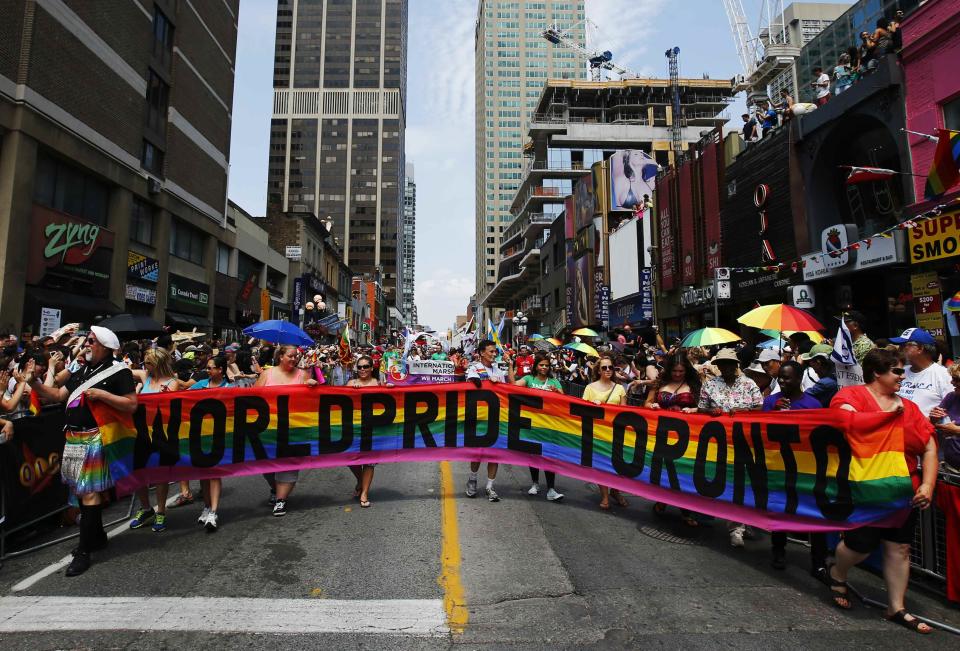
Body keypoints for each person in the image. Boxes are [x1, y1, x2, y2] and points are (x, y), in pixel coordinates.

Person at [828, 349, 936, 634]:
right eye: (898, 371)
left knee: (899, 548)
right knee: (859, 545)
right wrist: (886, 416)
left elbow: (928, 446)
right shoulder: (850, 397)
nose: (904, 376)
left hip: (903, 491)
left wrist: (927, 484)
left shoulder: (910, 408)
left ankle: (896, 607)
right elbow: (847, 423)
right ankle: (837, 572)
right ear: (877, 372)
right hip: (865, 489)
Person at [28, 326, 137, 576]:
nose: (86, 345)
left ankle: (83, 551)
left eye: (91, 341)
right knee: (81, 492)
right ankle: (97, 536)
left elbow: (131, 404)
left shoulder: (120, 372)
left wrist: (103, 394)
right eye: (87, 341)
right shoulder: (81, 371)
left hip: (95, 437)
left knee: (89, 494)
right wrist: (33, 381)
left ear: (105, 346)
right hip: (73, 438)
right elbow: (56, 395)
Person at [762, 362, 829, 572]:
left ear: (799, 379)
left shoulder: (813, 404)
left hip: (807, 469)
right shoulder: (771, 401)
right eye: (780, 377)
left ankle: (819, 561)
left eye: (787, 378)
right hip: (780, 467)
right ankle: (778, 551)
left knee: (814, 513)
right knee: (781, 509)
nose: (782, 381)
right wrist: (776, 414)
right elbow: (762, 432)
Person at [697, 348, 763, 547]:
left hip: (746, 441)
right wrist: (711, 411)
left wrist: (744, 410)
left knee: (745, 482)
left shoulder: (748, 383)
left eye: (729, 363)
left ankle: (744, 524)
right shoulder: (710, 384)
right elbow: (700, 408)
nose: (725, 367)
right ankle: (735, 526)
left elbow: (759, 407)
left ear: (736, 365)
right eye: (722, 364)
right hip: (720, 442)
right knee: (729, 482)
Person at [255, 345, 319, 515]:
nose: (294, 359)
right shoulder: (266, 374)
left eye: (296, 356)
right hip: (268, 429)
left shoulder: (303, 374)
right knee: (264, 463)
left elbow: (313, 400)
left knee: (289, 463)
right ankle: (276, 489)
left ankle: (281, 500)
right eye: (290, 356)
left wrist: (313, 386)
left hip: (293, 429)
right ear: (280, 356)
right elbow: (253, 397)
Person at [129, 348, 185, 532]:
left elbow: (169, 405)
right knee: (138, 471)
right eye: (145, 363)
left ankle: (160, 510)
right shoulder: (145, 377)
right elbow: (125, 372)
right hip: (142, 432)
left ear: (159, 364)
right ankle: (146, 509)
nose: (145, 366)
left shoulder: (172, 382)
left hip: (162, 433)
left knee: (161, 473)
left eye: (149, 363)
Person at [647, 353, 702, 526]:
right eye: (675, 371)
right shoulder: (660, 384)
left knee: (683, 471)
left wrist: (694, 410)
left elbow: (704, 407)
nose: (678, 374)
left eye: (681, 371)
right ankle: (662, 499)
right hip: (662, 433)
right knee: (663, 468)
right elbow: (647, 403)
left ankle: (685, 509)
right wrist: (652, 405)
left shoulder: (694, 386)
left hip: (687, 435)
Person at [188, 354, 234, 531]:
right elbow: (182, 400)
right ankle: (207, 507)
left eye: (210, 367)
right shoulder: (200, 385)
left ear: (220, 370)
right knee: (204, 476)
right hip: (200, 437)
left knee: (214, 473)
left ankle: (213, 512)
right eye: (207, 367)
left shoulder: (229, 388)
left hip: (219, 437)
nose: (207, 370)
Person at [465, 340, 514, 502]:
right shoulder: (474, 368)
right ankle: (472, 480)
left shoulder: (498, 371)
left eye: (495, 352)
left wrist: (504, 375)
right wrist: (486, 382)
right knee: (477, 452)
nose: (494, 354)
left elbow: (508, 390)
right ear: (482, 353)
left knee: (494, 454)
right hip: (479, 418)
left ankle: (490, 487)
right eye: (491, 351)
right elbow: (473, 382)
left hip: (496, 418)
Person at [515, 353, 564, 502]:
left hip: (550, 425)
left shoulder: (554, 381)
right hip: (532, 424)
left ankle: (551, 489)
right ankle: (535, 484)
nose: (544, 367)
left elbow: (564, 399)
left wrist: (557, 392)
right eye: (541, 365)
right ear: (536, 366)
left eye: (547, 365)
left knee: (549, 456)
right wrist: (510, 366)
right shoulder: (529, 379)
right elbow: (513, 386)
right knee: (533, 455)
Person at [583, 353, 629, 511]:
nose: (608, 370)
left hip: (616, 433)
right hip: (597, 433)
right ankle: (604, 496)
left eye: (611, 367)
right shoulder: (590, 388)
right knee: (601, 465)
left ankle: (615, 491)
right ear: (598, 371)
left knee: (617, 466)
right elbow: (583, 410)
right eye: (604, 367)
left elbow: (624, 412)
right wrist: (592, 405)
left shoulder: (620, 388)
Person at [346, 355, 382, 508]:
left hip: (372, 427)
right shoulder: (351, 383)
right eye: (359, 367)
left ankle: (364, 492)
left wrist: (392, 389)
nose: (362, 370)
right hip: (353, 426)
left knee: (369, 462)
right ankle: (360, 481)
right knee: (350, 458)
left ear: (371, 368)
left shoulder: (378, 383)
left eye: (365, 366)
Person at [891, 328, 951, 417]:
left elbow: (951, 410)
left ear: (920, 348)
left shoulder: (944, 375)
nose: (899, 349)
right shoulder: (900, 371)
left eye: (904, 345)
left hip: (928, 429)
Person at [929, 364, 960, 474]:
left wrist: (956, 430)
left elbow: (954, 429)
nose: (952, 383)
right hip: (950, 467)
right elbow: (935, 423)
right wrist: (934, 418)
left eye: (956, 380)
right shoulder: (951, 397)